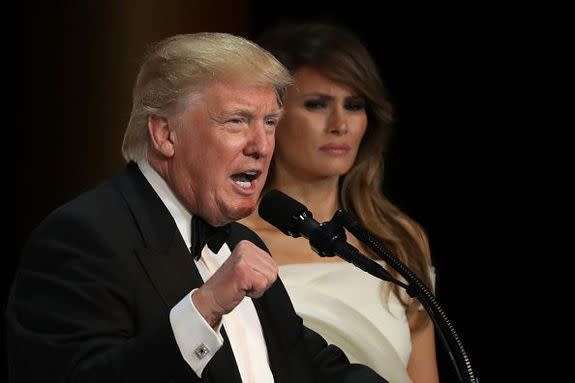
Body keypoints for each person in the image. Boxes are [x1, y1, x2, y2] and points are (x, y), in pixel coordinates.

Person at [5, 32, 389, 383]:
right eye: (237, 121)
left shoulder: (239, 240)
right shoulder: (83, 236)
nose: (262, 145)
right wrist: (205, 308)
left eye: (270, 122)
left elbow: (309, 366)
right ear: (165, 134)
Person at [240, 23, 439, 383]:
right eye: (317, 104)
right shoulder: (230, 239)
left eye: (354, 105)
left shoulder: (398, 239)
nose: (340, 124)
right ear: (269, 118)